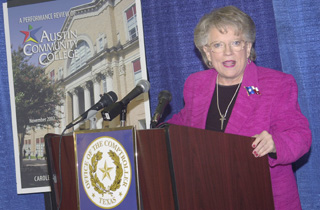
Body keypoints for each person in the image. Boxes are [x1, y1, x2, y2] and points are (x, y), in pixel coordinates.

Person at [167, 5, 311, 210]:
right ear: (207, 51)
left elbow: (300, 135)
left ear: (248, 46)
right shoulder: (196, 84)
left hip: (264, 199)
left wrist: (275, 143)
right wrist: (153, 133)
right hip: (207, 198)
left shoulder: (276, 84)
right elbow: (184, 122)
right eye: (217, 45)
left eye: (236, 43)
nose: (228, 52)